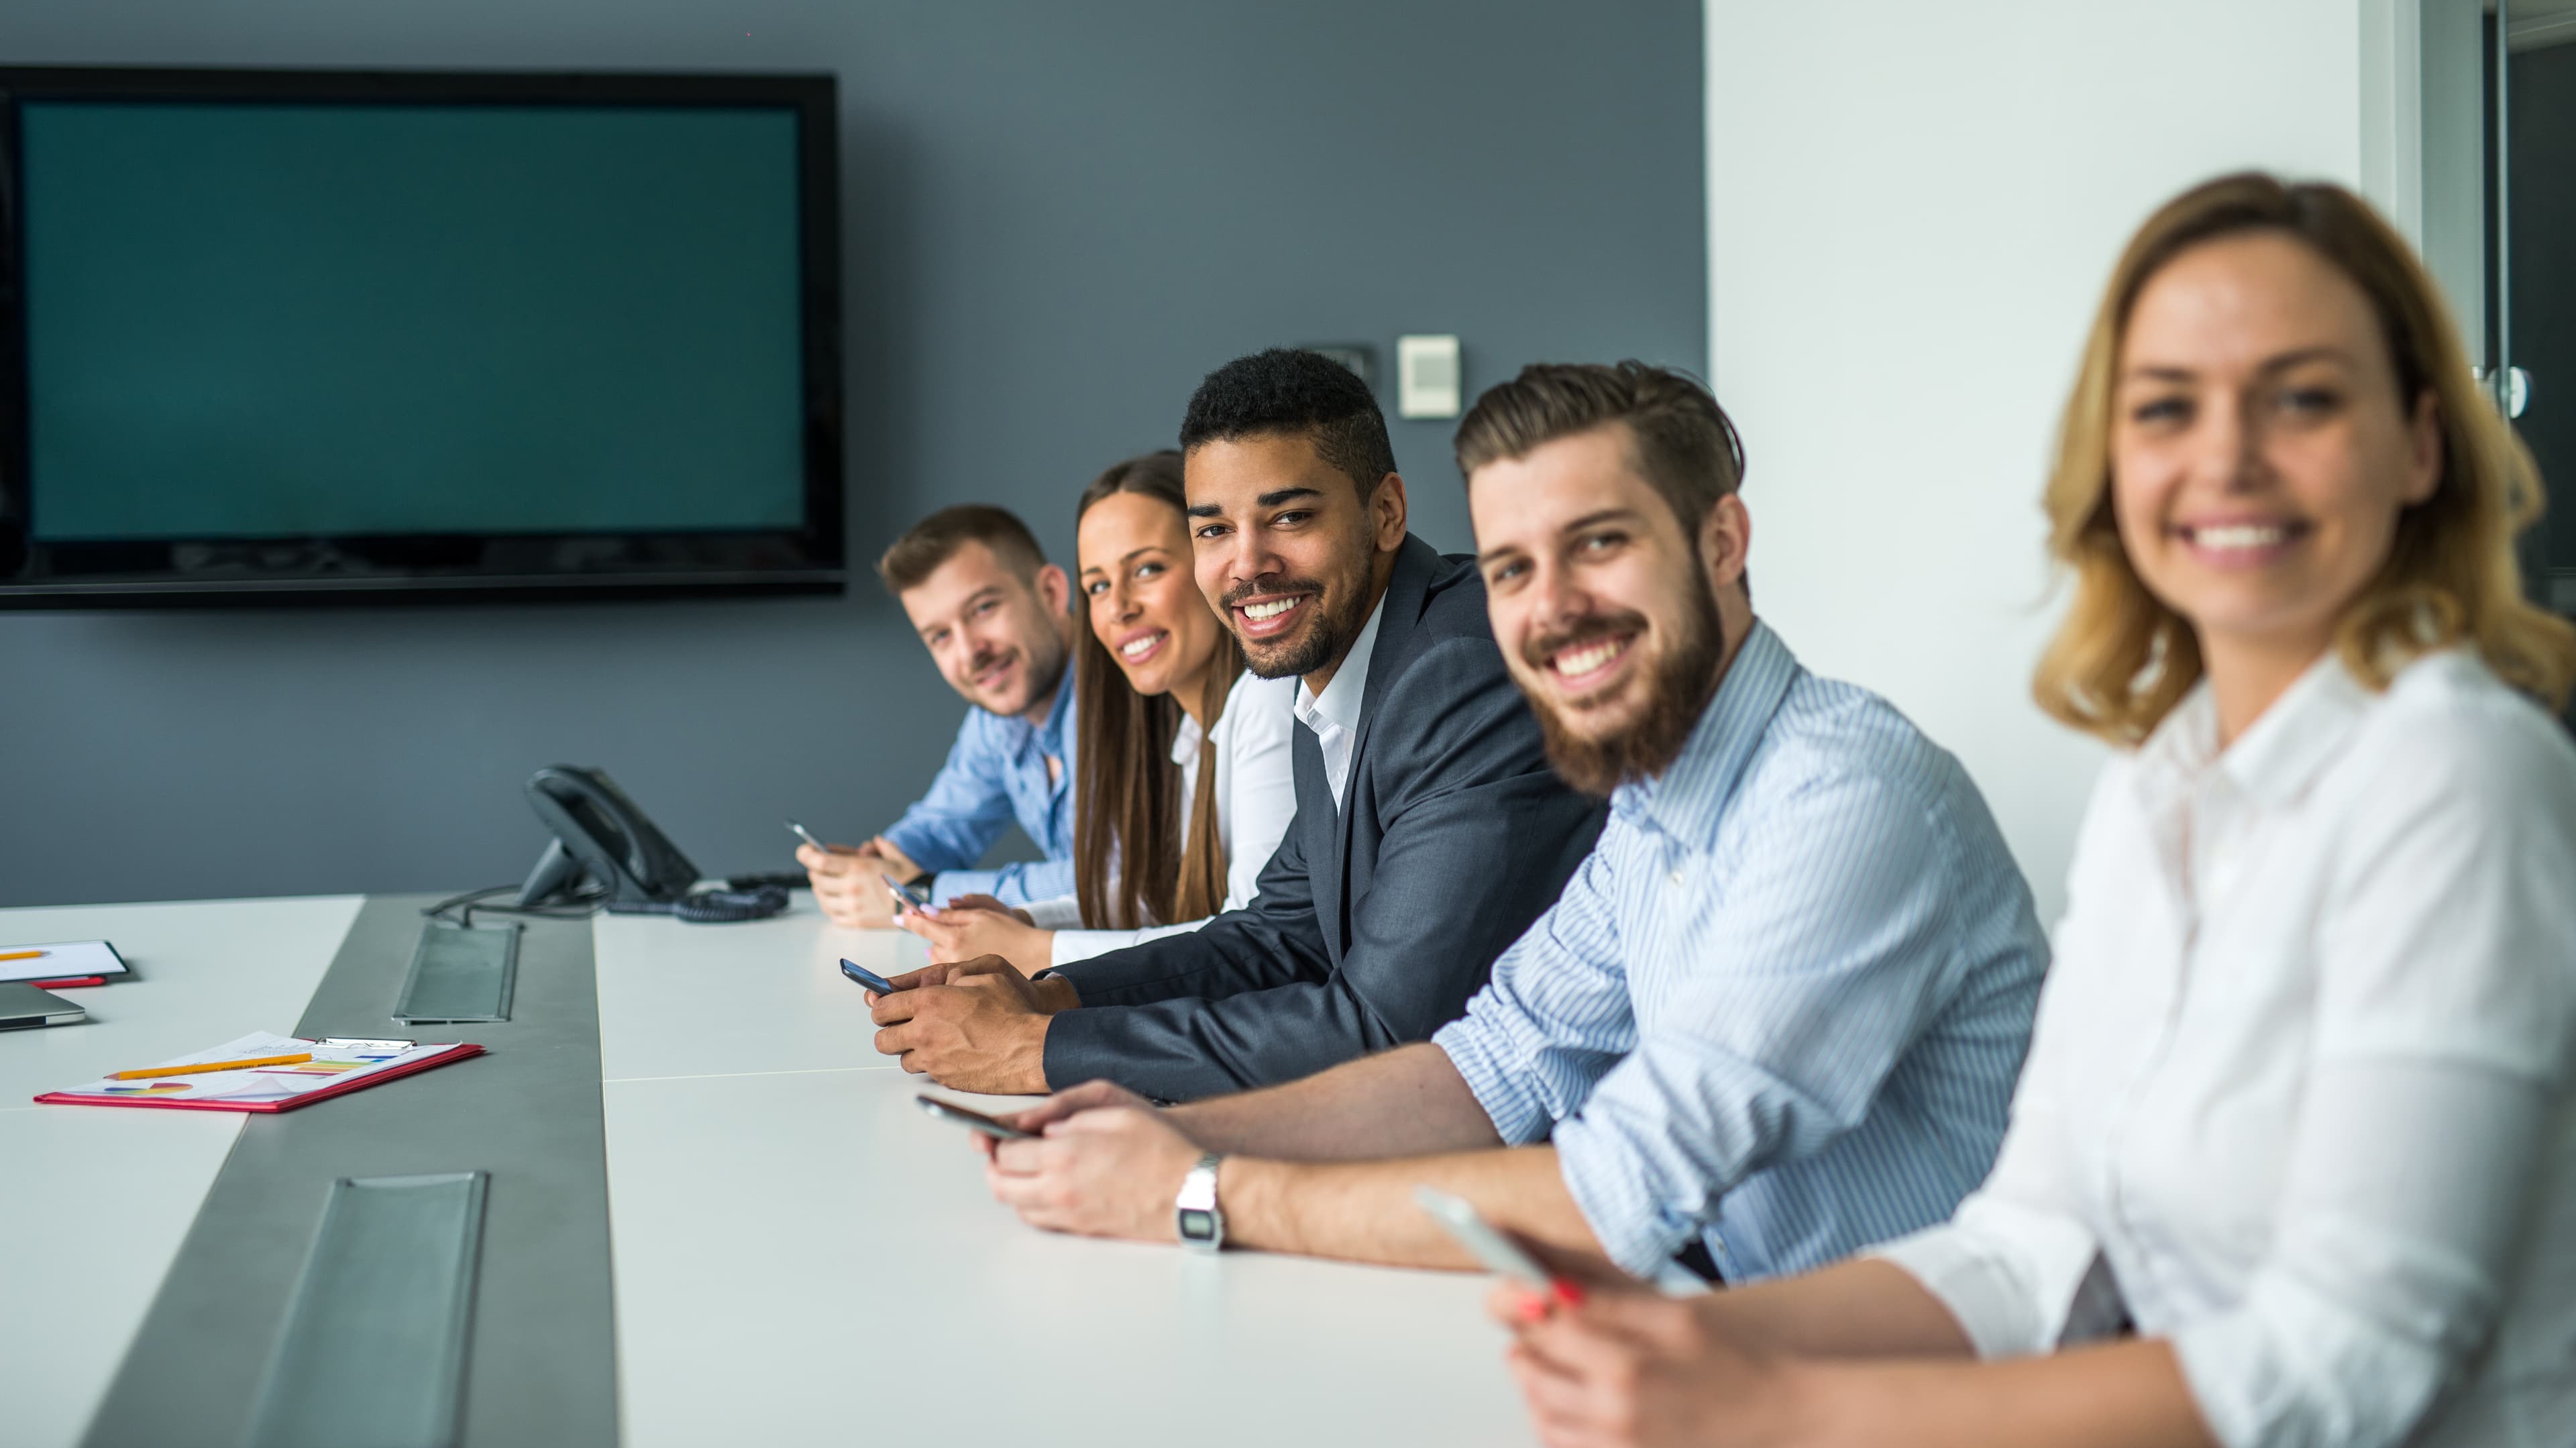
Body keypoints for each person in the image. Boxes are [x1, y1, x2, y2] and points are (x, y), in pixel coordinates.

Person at [1485, 175, 2576, 1448]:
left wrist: (1786, 1407)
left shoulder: (2458, 772)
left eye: (2304, 398)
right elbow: (2029, 1244)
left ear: (2422, 446)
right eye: (2166, 406)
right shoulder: (2159, 784)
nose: (2226, 456)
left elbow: (2353, 1352)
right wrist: (1707, 1337)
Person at [972, 361, 2050, 1286]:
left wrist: (1202, 1188)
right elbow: (1488, 1066)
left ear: (1722, 540)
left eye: (1599, 542)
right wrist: (1160, 1128)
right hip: (1715, 1329)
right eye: (1512, 567)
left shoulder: (1841, 796)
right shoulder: (1653, 805)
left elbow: (1622, 1183)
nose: (1549, 606)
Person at [861, 347, 1606, 1097]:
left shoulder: (1456, 671)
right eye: (1214, 530)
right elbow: (1278, 937)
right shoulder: (1336, 670)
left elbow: (1387, 1028)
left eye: (1289, 517)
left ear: (1385, 513)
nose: (1247, 565)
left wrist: (1035, 1048)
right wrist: (1049, 996)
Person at [902, 452, 1299, 975]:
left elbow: (1255, 943)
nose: (1119, 608)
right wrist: (1026, 921)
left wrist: (1036, 949)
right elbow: (1168, 895)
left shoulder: (1267, 699)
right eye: (1098, 586)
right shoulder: (1191, 732)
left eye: (1148, 569)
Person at [798, 504, 1081, 927]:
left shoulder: (1130, 691)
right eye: (941, 636)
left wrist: (920, 893)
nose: (969, 653)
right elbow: (944, 827)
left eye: (983, 609)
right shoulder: (1000, 716)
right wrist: (876, 867)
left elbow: (1119, 883)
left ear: (1051, 593)